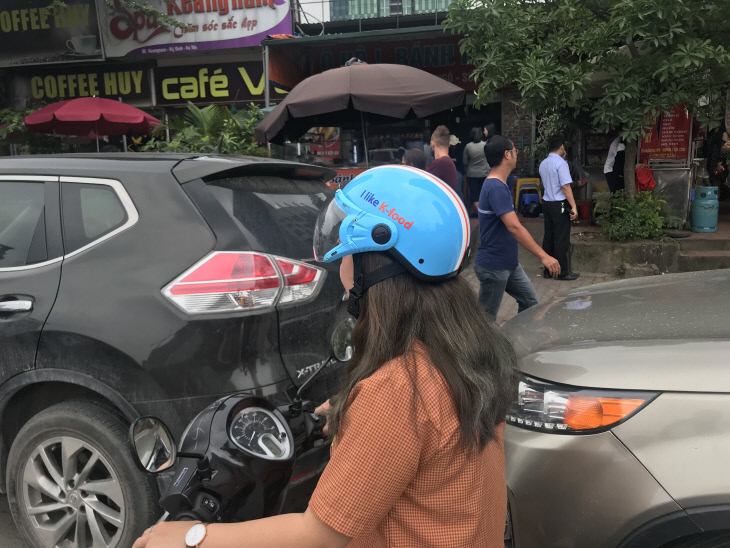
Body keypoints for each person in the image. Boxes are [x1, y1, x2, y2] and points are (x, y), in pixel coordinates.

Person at [134, 165, 519, 548]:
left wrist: (191, 537)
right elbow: (429, 432)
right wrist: (348, 413)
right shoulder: (467, 350)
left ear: (377, 259)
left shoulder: (397, 391)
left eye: (349, 252)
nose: (342, 265)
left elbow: (319, 534)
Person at [473, 135, 561, 322]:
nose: (516, 154)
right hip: (494, 265)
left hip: (509, 263)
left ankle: (519, 341)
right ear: (507, 155)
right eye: (515, 151)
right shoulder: (495, 187)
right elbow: (514, 227)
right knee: (485, 322)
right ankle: (478, 351)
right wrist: (544, 256)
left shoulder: (500, 183)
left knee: (530, 303)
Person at [539, 134, 580, 281]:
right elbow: (565, 186)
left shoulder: (543, 163)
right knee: (561, 237)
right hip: (560, 203)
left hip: (547, 203)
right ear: (562, 147)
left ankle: (548, 270)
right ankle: (562, 271)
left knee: (548, 236)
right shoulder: (561, 163)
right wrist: (574, 206)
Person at [463, 126, 491, 208]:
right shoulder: (485, 145)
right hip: (484, 173)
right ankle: (484, 211)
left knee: (474, 195)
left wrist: (467, 169)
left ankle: (479, 211)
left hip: (471, 174)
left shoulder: (468, 146)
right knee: (484, 194)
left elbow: (465, 161)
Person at [426, 125, 458, 191]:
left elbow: (426, 188)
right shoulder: (449, 162)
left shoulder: (439, 164)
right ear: (449, 144)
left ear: (432, 144)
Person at [706, 124, 730, 198]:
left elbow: (724, 150)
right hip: (711, 161)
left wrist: (719, 164)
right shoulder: (710, 133)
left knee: (717, 180)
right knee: (712, 180)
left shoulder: (723, 133)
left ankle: (716, 199)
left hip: (720, 162)